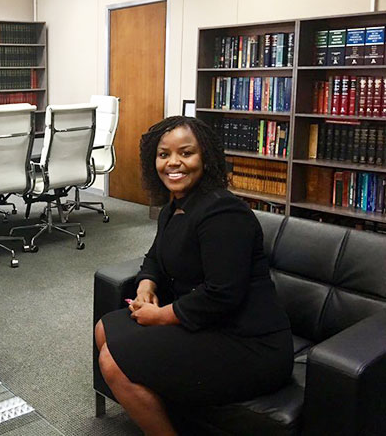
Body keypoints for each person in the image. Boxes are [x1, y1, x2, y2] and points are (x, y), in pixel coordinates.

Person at [94, 116, 293, 435]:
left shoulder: (223, 213)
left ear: (206, 158)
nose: (174, 162)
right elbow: (155, 256)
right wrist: (147, 285)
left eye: (186, 153)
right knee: (104, 329)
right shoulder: (175, 207)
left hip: (249, 344)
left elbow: (222, 294)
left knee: (112, 363)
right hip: (207, 326)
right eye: (164, 155)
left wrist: (159, 316)